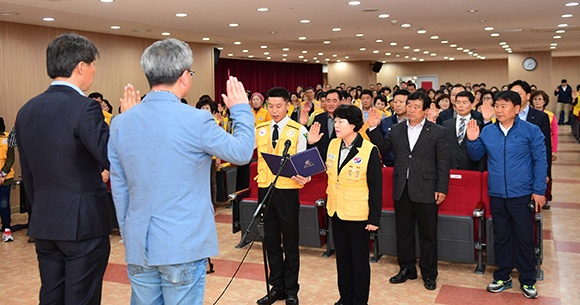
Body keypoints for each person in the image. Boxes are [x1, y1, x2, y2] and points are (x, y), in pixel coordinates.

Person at [108, 38, 255, 305]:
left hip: (139, 242)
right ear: (184, 77)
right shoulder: (196, 119)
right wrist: (241, 110)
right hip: (182, 244)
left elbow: (120, 187)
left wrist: (129, 232)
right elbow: (242, 152)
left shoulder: (120, 123)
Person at [15, 33, 134, 305]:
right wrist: (125, 122)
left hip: (45, 221)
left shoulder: (27, 110)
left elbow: (29, 173)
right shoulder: (85, 109)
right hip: (83, 225)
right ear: (81, 66)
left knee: (51, 295)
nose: (94, 70)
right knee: (82, 298)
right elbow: (113, 158)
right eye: (93, 64)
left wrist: (42, 209)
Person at [466, 90, 547, 299]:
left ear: (517, 109)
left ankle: (528, 279)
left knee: (524, 237)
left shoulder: (531, 131)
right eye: (497, 106)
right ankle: (502, 276)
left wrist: (539, 191)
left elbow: (540, 162)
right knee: (501, 236)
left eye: (504, 106)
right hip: (497, 193)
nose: (499, 110)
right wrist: (473, 140)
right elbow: (476, 156)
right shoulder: (489, 131)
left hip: (522, 193)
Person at [366, 91, 450, 291]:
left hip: (427, 188)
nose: (410, 110)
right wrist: (373, 128)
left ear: (426, 109)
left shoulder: (437, 131)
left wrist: (441, 188)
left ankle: (429, 274)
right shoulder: (396, 129)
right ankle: (407, 269)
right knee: (403, 233)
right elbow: (383, 148)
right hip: (402, 187)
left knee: (428, 235)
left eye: (415, 107)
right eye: (408, 105)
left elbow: (443, 163)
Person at [315, 105, 382, 305]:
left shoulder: (369, 150)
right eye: (335, 121)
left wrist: (374, 218)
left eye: (340, 122)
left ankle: (360, 300)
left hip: (358, 214)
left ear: (353, 125)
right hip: (336, 210)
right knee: (343, 260)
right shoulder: (333, 145)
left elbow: (376, 187)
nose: (336, 125)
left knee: (359, 261)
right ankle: (345, 297)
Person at [254, 87, 309, 305]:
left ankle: (291, 289)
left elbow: (305, 163)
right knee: (271, 242)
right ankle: (276, 287)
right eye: (271, 106)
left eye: (279, 106)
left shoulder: (299, 130)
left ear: (288, 105)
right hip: (265, 190)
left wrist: (304, 175)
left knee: (290, 242)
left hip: (288, 192)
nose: (274, 110)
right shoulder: (260, 128)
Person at [442, 91, 486, 171]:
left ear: (472, 105)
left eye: (464, 103)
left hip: (470, 168)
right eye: (458, 102)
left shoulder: (478, 124)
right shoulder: (446, 124)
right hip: (450, 168)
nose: (460, 106)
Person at [530, 90, 558, 209]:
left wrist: (553, 150)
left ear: (545, 101)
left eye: (540, 99)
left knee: (546, 173)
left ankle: (546, 196)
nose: (537, 102)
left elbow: (554, 134)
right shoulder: (528, 114)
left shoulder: (549, 115)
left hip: (545, 147)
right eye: (535, 99)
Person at [376, 90, 410, 166]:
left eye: (401, 102)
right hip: (390, 164)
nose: (397, 105)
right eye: (395, 102)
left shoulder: (414, 122)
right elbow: (380, 145)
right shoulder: (385, 122)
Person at [307, 89, 341, 161]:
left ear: (340, 102)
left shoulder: (346, 120)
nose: (331, 104)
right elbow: (311, 140)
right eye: (328, 101)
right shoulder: (318, 118)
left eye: (334, 101)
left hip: (339, 160)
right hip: (321, 160)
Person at [1, 123, 15, 242]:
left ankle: (7, 230)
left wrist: (2, 174)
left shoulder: (8, 137)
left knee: (4, 205)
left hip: (6, 179)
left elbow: (11, 158)